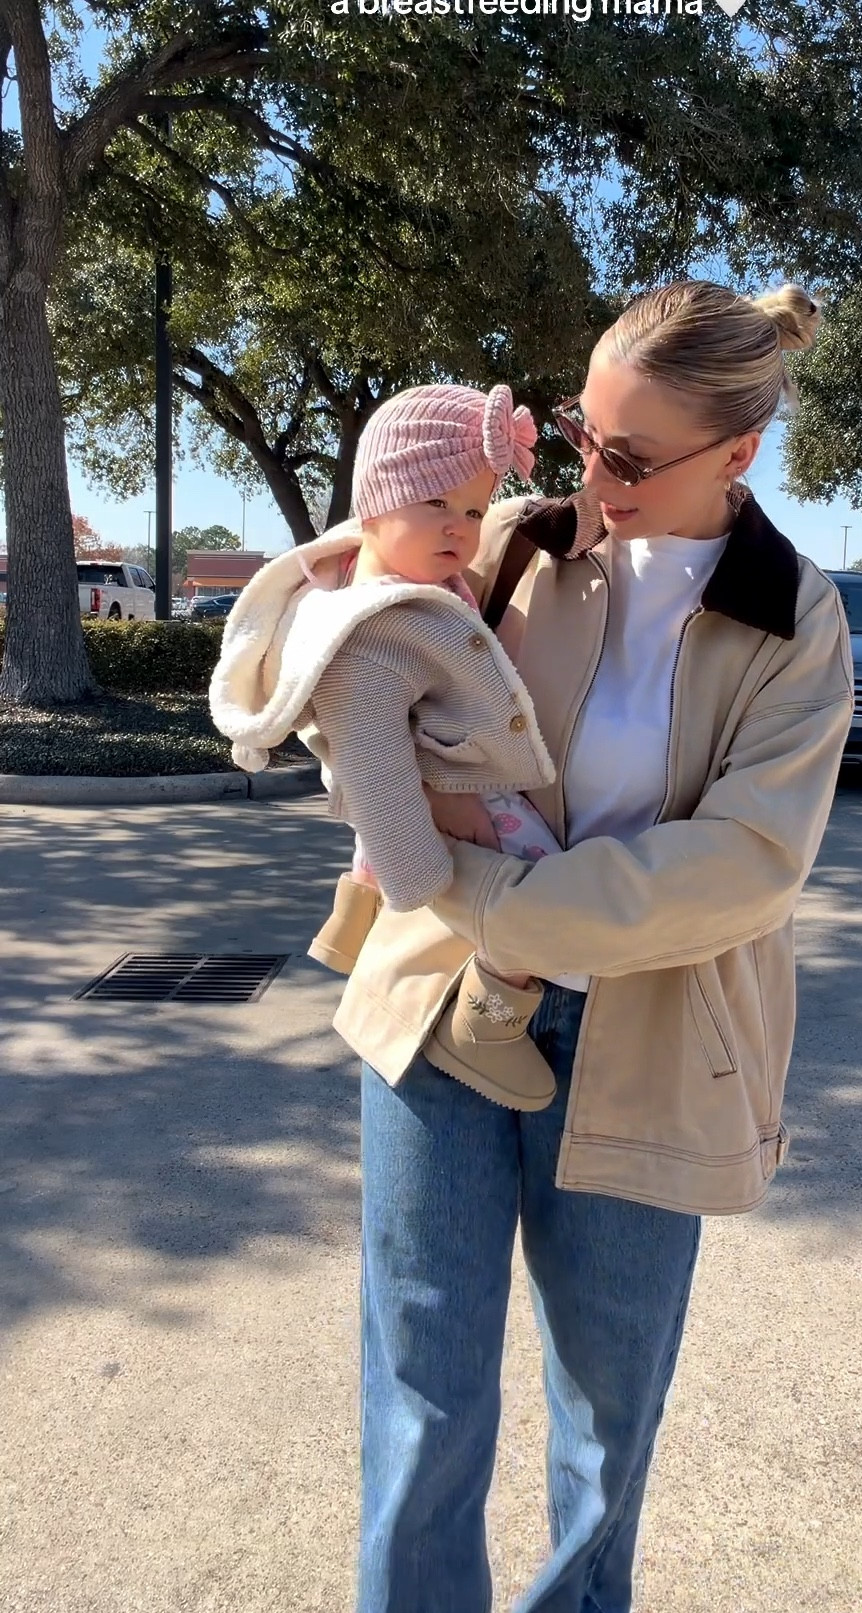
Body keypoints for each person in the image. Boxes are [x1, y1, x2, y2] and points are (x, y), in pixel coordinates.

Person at [328, 280, 855, 1613]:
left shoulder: (799, 621)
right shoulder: (511, 544)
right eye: (582, 437)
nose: (592, 477)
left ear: (737, 455)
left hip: (650, 1047)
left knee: (607, 1425)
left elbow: (745, 865)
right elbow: (354, 630)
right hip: (440, 1021)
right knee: (423, 1393)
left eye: (628, 457)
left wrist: (500, 903)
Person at [208, 381, 590, 1112]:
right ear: (376, 502)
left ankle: (350, 924)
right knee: (539, 904)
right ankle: (491, 1019)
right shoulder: (371, 633)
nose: (462, 528)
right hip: (461, 798)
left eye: (475, 510)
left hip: (447, 776)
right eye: (438, 505)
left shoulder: (391, 573)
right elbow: (378, 774)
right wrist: (423, 875)